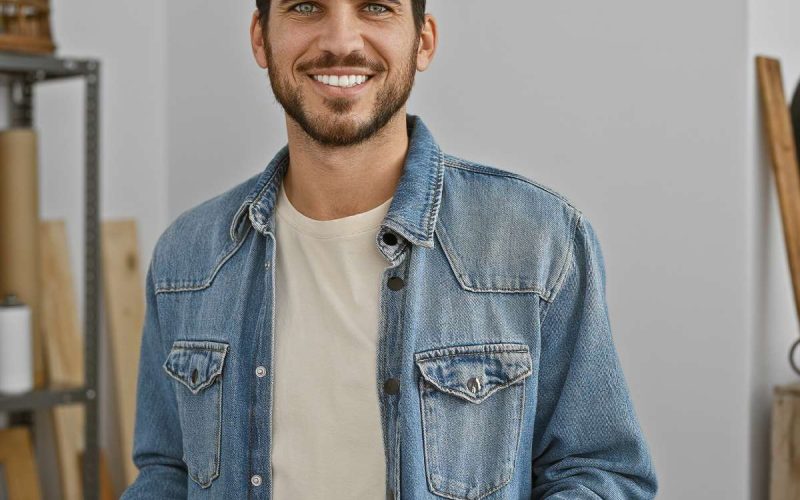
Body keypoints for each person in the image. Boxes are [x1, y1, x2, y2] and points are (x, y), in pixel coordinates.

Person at [121, 1, 658, 498]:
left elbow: (599, 473)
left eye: (375, 7)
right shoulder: (187, 258)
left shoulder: (539, 240)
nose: (340, 40)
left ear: (422, 41)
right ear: (261, 38)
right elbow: (168, 472)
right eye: (306, 6)